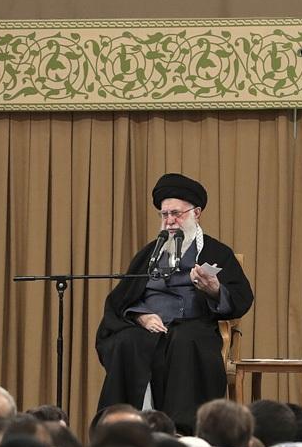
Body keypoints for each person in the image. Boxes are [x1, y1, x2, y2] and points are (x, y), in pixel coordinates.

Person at [96, 174, 253, 431]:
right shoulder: (148, 254)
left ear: (196, 213)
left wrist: (215, 291)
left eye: (176, 214)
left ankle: (182, 430)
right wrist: (140, 315)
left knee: (185, 340)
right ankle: (123, 427)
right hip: (148, 327)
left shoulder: (217, 252)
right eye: (164, 214)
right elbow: (121, 299)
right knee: (127, 341)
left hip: (191, 326)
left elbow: (241, 298)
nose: (169, 221)